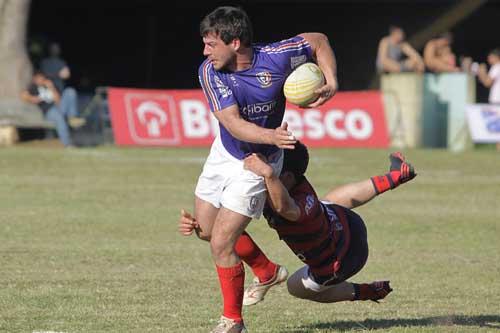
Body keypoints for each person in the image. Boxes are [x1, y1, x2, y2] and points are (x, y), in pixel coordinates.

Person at [189, 6, 338, 333]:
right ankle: (266, 270)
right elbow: (233, 123)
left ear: (236, 42)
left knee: (221, 244)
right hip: (226, 152)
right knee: (204, 230)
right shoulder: (210, 72)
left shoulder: (277, 57)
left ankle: (233, 322)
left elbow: (319, 41)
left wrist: (332, 80)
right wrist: (272, 134)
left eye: (211, 44)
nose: (205, 51)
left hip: (260, 165)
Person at [180, 144, 416, 310]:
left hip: (343, 258)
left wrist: (267, 174)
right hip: (343, 220)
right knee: (330, 201)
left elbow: (286, 210)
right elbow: (224, 224)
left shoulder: (293, 206)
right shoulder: (292, 184)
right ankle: (395, 176)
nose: (263, 171)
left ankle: (366, 291)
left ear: (288, 178)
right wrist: (203, 225)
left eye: (273, 168)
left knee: (297, 287)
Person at [21, 71, 75, 147]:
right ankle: (67, 144)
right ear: (35, 79)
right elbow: (24, 96)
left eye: (43, 78)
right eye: (39, 78)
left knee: (70, 91)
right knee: (59, 118)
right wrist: (34, 99)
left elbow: (58, 102)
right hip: (49, 111)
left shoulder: (49, 86)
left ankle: (72, 117)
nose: (41, 80)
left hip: (59, 108)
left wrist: (51, 87)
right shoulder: (33, 87)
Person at [40, 42, 84, 128]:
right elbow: (44, 75)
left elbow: (67, 74)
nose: (55, 50)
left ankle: (72, 118)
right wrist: (58, 74)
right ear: (50, 50)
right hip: (49, 100)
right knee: (56, 118)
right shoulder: (45, 62)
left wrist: (64, 74)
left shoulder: (61, 62)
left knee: (70, 91)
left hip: (60, 98)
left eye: (57, 48)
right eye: (54, 48)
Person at [477, 48, 500, 150]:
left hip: (497, 100)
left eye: (490, 57)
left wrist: (481, 72)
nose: (488, 59)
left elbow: (487, 82)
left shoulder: (496, 67)